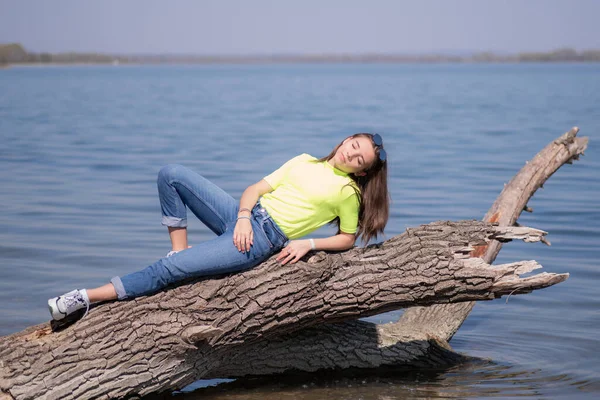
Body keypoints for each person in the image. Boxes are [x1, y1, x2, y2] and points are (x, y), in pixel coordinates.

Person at [47, 133, 389, 321]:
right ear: (346, 140)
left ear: (361, 172)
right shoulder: (303, 161)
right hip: (242, 216)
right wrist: (242, 216)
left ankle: (85, 297)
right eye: (353, 146)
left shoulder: (348, 192)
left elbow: (346, 239)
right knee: (172, 174)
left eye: (360, 160)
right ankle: (180, 252)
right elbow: (254, 190)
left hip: (263, 241)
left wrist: (309, 244)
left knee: (167, 270)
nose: (352, 155)